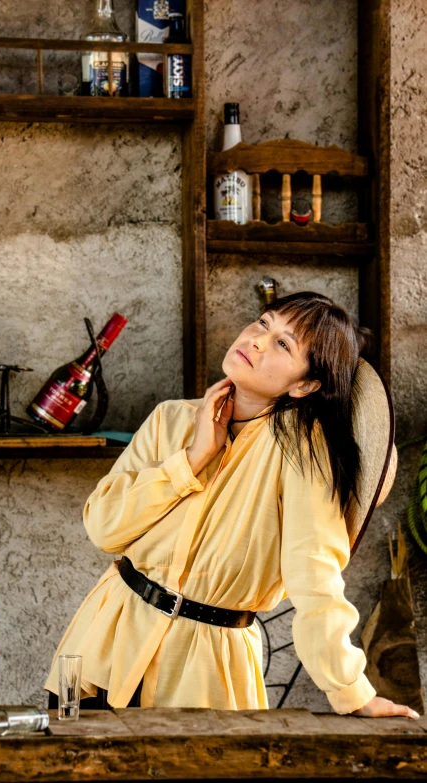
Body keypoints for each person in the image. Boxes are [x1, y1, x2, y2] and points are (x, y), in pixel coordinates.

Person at [45, 291, 419, 719]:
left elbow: (314, 573)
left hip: (202, 673)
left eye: (283, 344)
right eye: (263, 323)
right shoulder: (171, 419)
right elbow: (103, 528)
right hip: (101, 647)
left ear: (306, 384)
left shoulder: (304, 455)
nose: (257, 340)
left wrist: (352, 692)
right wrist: (190, 461)